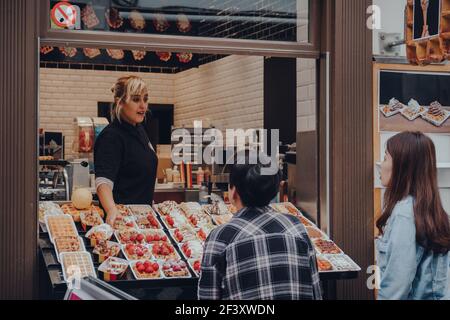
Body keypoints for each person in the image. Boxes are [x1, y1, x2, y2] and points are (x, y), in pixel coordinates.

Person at [198, 154, 322, 300]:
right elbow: (315, 290)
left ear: (233, 191)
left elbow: (207, 296)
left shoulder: (220, 238)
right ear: (274, 191)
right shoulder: (296, 228)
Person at [376, 131, 450, 300]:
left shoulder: (404, 214)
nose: (382, 163)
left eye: (386, 157)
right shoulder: (428, 209)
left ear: (403, 166)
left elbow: (395, 288)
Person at [94, 76, 158, 226]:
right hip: (122, 222)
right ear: (120, 102)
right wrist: (111, 209)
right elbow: (103, 181)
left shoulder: (139, 130)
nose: (143, 106)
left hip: (142, 220)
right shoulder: (111, 136)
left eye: (145, 99)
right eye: (136, 99)